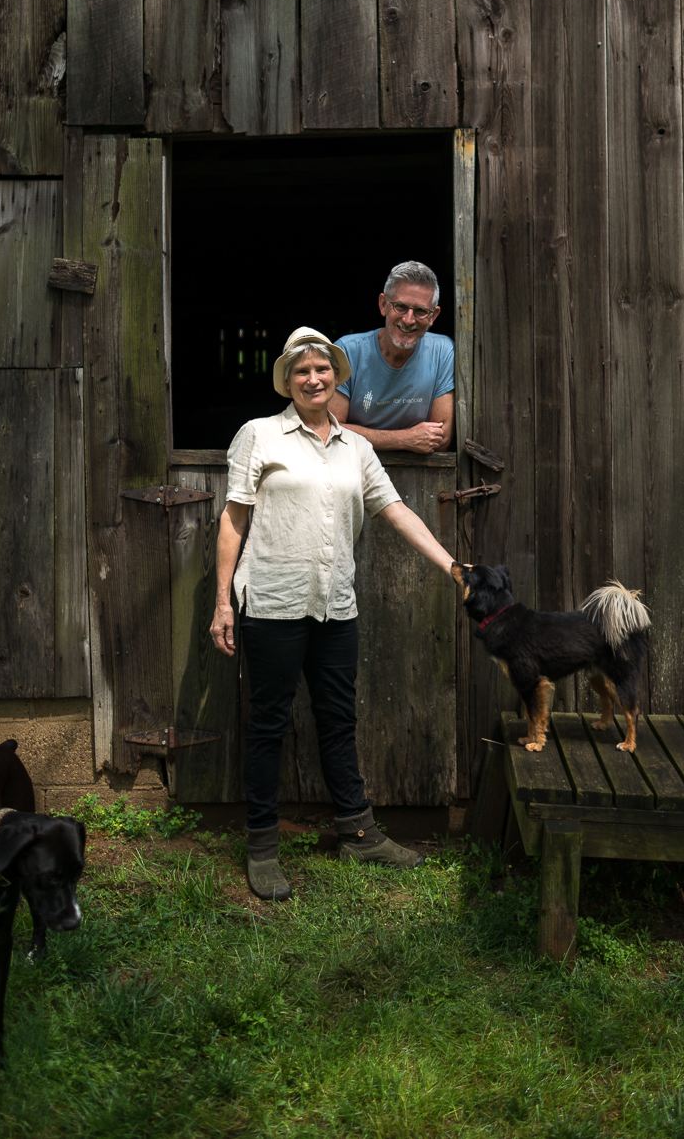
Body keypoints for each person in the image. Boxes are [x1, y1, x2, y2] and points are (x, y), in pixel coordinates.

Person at [209, 326, 456, 900]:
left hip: (335, 607)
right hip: (272, 603)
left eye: (323, 370)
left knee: (339, 721)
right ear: (288, 382)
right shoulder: (260, 435)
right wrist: (223, 601)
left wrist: (452, 567)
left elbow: (396, 511)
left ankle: (359, 831)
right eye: (302, 372)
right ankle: (263, 845)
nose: (313, 379)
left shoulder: (358, 449)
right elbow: (234, 519)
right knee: (268, 725)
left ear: (337, 378)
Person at [330, 261, 454, 454]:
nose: (408, 319)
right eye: (401, 307)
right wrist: (405, 439)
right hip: (354, 470)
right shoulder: (347, 351)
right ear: (383, 305)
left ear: (433, 316)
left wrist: (362, 435)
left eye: (420, 311)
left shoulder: (443, 351)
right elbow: (331, 430)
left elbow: (440, 438)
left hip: (421, 476)